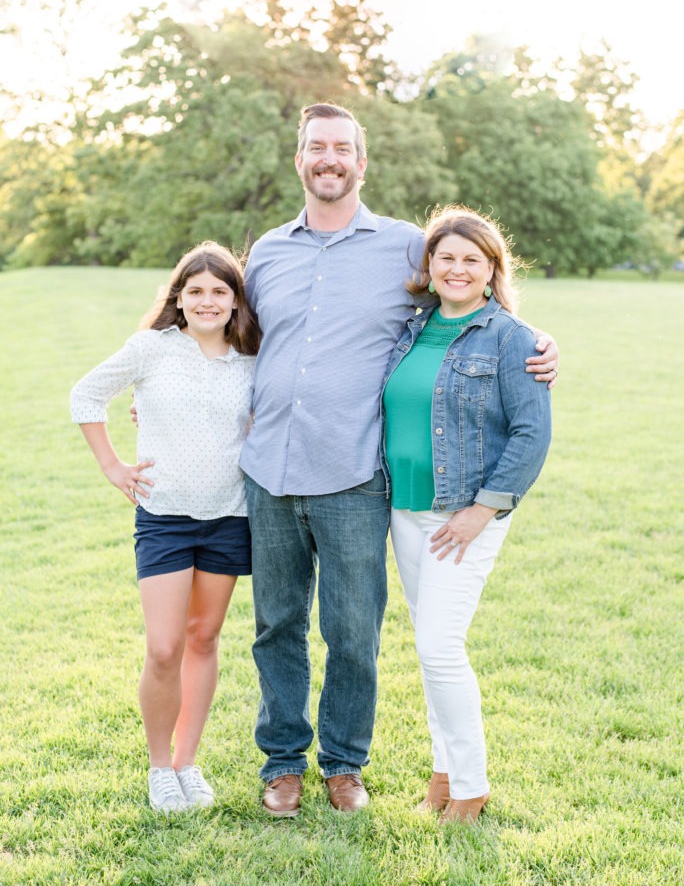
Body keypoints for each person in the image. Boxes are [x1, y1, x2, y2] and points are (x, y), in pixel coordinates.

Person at [239, 102, 559, 817]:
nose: (329, 158)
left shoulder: (406, 246)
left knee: (354, 631)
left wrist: (541, 344)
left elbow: (472, 294)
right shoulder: (266, 251)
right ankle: (283, 762)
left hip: (355, 474)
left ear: (361, 161)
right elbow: (235, 342)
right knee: (276, 625)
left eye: (342, 148)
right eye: (316, 147)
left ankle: (344, 765)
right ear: (299, 158)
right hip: (268, 469)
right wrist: (171, 397)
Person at [70, 241, 260, 813]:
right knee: (163, 646)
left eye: (219, 292)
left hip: (230, 517)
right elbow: (86, 394)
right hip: (165, 517)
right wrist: (112, 465)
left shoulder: (253, 357)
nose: (207, 301)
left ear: (235, 301)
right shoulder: (151, 349)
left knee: (204, 638)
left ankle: (186, 764)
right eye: (195, 291)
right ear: (178, 298)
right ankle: (159, 767)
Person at [381, 205, 552, 824]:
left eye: (470, 260)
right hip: (405, 511)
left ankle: (473, 787)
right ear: (429, 266)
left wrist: (484, 510)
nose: (456, 269)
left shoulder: (512, 338)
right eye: (445, 257)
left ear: (491, 270)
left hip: (464, 518)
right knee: (431, 650)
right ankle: (444, 770)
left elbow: (531, 434)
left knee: (439, 645)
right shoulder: (411, 328)